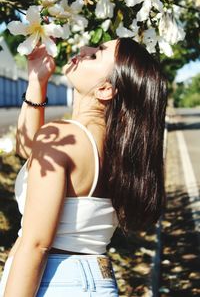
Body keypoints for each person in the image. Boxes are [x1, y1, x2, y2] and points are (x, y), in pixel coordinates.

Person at [0, 38, 167, 296]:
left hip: (54, 282)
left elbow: (35, 245)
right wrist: (37, 80)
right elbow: (32, 153)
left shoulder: (62, 137)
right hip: (97, 280)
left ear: (105, 89)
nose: (84, 50)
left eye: (97, 54)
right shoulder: (121, 148)